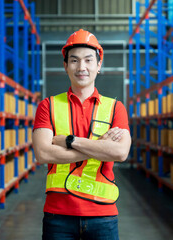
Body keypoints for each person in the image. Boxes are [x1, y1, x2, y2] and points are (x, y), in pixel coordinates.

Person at [33, 29, 131, 240]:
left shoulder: (116, 108)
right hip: (58, 214)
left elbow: (121, 152)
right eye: (74, 60)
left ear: (99, 65)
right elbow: (42, 153)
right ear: (65, 65)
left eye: (88, 60)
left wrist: (70, 141)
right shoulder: (47, 106)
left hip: (103, 215)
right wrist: (100, 148)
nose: (82, 67)